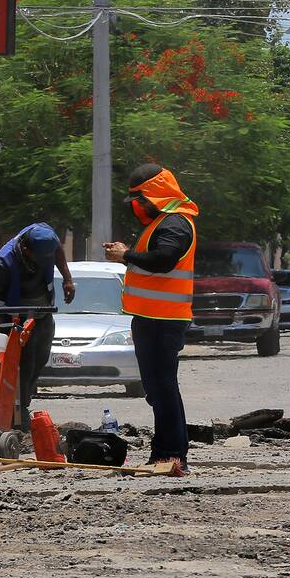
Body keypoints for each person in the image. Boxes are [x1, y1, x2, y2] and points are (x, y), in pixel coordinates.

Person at [103, 163, 198, 473]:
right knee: (157, 388)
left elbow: (164, 260)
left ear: (155, 195)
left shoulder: (175, 223)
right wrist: (127, 255)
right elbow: (153, 263)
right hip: (152, 317)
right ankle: (165, 451)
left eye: (140, 200)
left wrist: (126, 255)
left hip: (164, 319)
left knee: (163, 387)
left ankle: (172, 453)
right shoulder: (162, 223)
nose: (137, 207)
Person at [0, 223, 76, 425]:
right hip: (15, 321)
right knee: (24, 365)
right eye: (41, 258)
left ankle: (24, 403)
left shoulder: (46, 239)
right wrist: (8, 327)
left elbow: (57, 250)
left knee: (40, 359)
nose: (46, 261)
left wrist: (67, 278)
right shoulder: (3, 264)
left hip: (42, 316)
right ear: (25, 249)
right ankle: (17, 414)